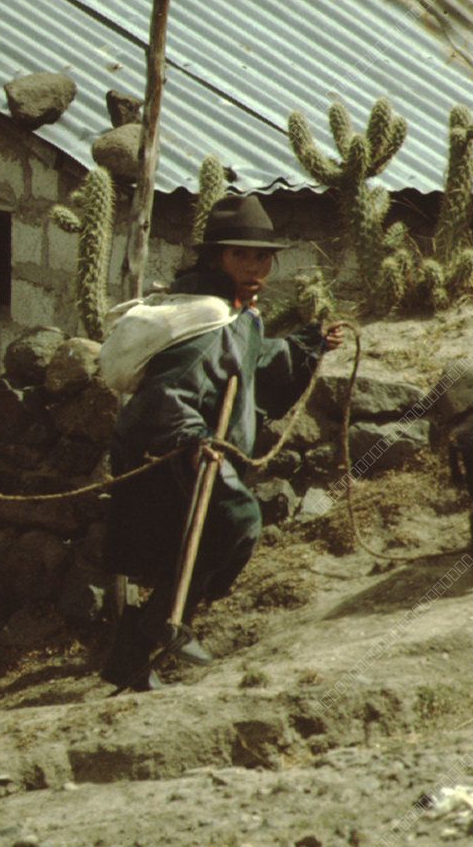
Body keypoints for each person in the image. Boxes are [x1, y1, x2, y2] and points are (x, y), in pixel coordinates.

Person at [100, 194, 343, 691]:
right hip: (174, 453)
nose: (254, 267)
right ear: (216, 259)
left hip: (184, 452)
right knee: (237, 522)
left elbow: (254, 360)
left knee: (187, 546)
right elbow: (171, 392)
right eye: (241, 255)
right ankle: (162, 626)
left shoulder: (236, 313)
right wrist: (192, 440)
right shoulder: (211, 320)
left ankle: (132, 660)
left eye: (262, 257)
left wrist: (310, 342)